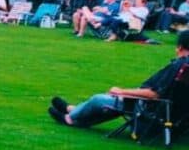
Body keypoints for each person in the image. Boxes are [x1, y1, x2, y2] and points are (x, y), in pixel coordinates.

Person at [48, 30, 189, 127]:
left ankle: (70, 118)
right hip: (173, 110)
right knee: (112, 104)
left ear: (180, 47)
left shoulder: (179, 66)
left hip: (153, 106)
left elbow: (154, 93)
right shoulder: (184, 67)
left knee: (100, 99)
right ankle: (73, 110)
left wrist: (122, 91)